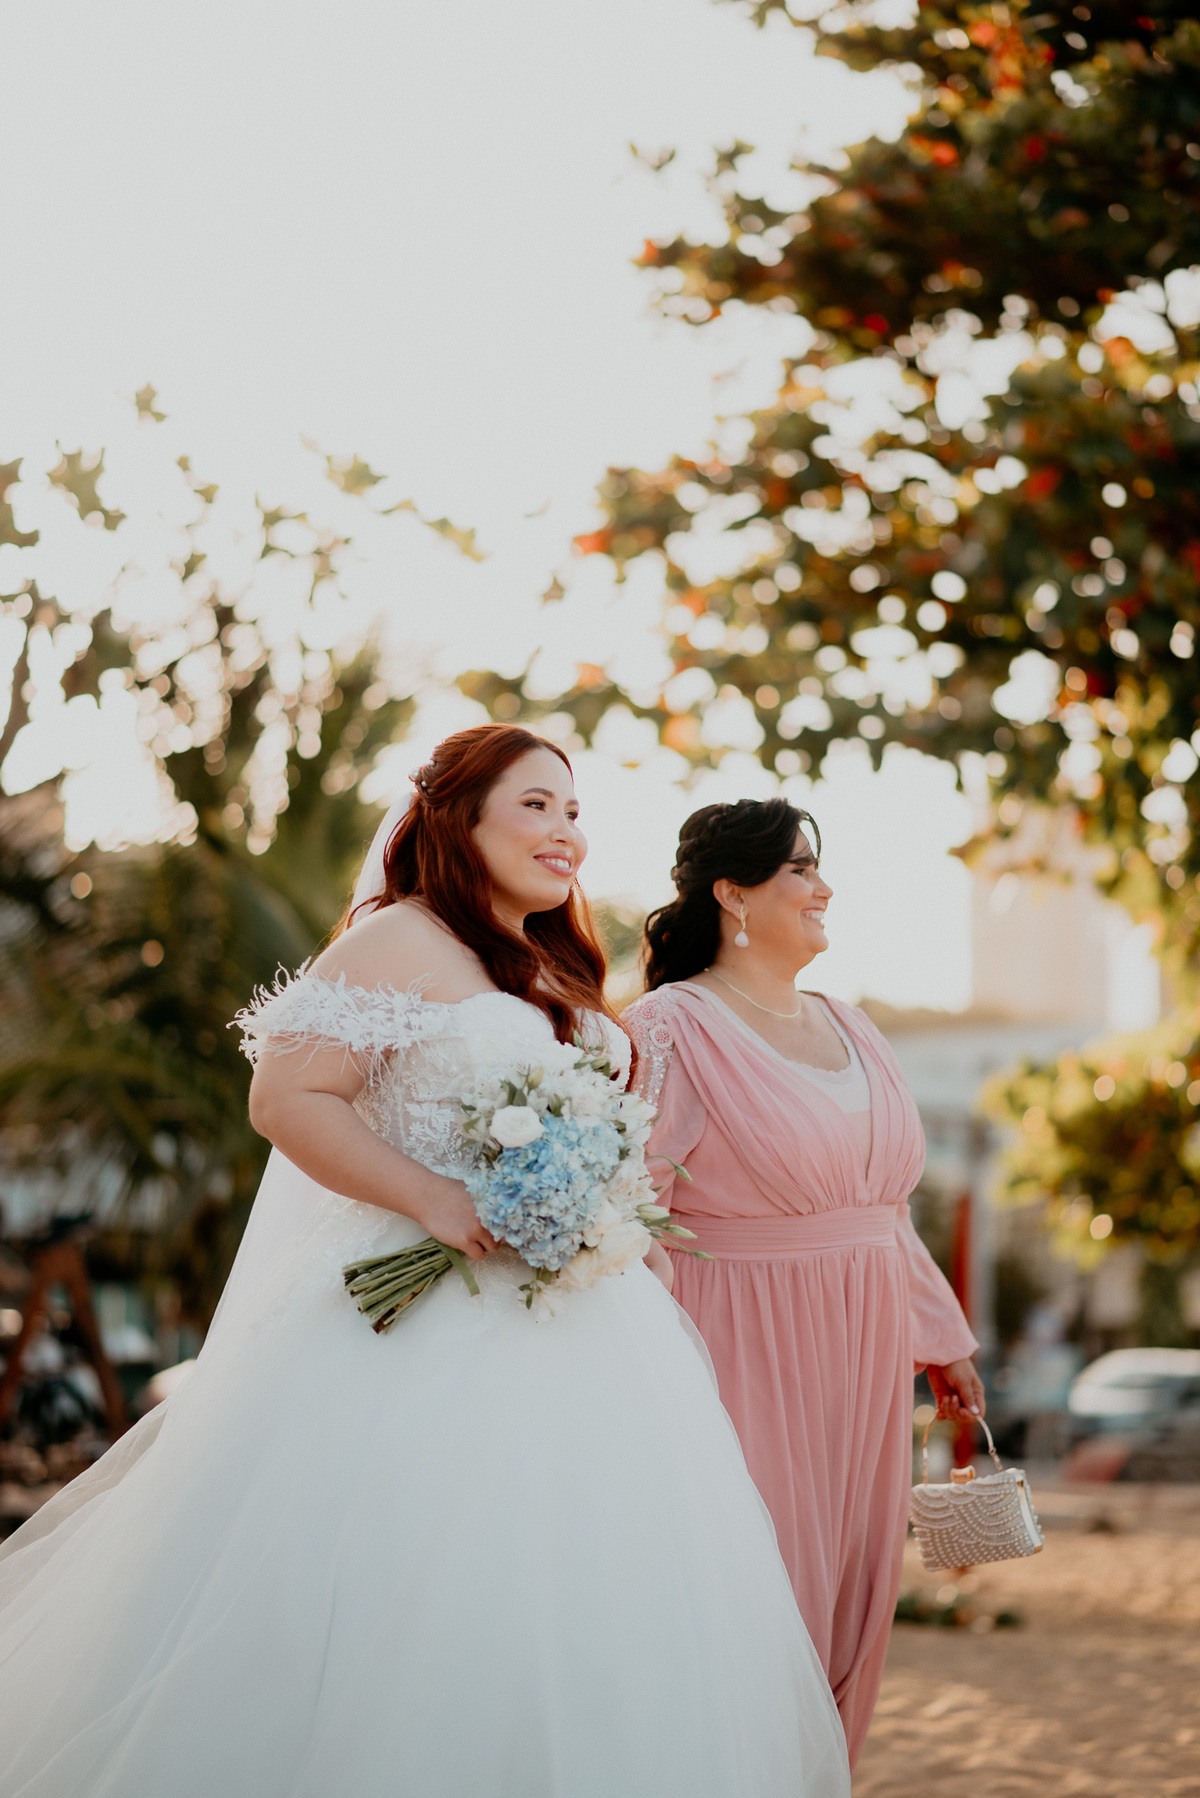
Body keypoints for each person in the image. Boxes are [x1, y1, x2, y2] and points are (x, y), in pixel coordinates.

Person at [0, 727, 849, 1798]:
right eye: (536, 805)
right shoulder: (398, 939)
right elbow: (287, 1097)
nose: (565, 832)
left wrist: (606, 1221)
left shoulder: (553, 963)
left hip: (582, 1326)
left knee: (594, 1603)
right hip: (410, 1320)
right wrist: (437, 1199)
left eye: (575, 811)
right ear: (461, 817)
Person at [624, 797, 983, 1770]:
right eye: (798, 870)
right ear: (732, 893)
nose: (823, 888)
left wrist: (938, 1338)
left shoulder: (854, 1026)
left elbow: (884, 1211)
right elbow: (621, 1210)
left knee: (846, 1600)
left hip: (865, 1357)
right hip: (739, 1347)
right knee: (759, 1596)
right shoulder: (667, 1029)